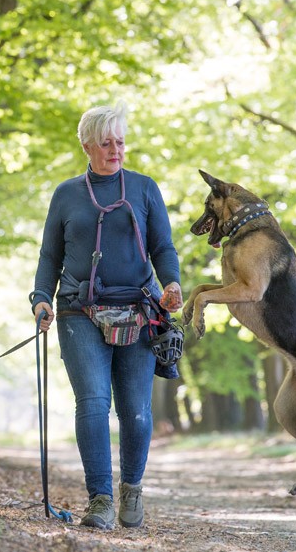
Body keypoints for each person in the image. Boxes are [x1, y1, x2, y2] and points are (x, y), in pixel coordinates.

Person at [30, 104, 183, 530]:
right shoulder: (66, 195)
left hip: (140, 310)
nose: (115, 149)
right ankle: (99, 498)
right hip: (79, 311)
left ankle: (132, 489)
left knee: (135, 410)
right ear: (87, 146)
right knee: (94, 403)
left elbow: (164, 249)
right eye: (106, 142)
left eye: (120, 141)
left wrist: (171, 285)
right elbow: (50, 256)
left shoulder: (144, 188)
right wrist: (41, 298)